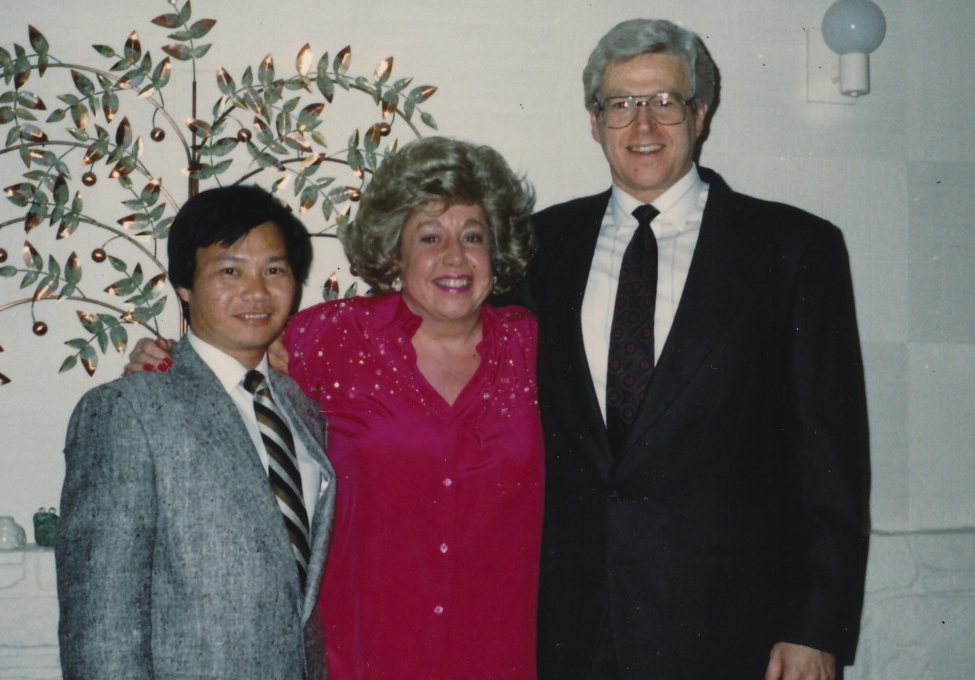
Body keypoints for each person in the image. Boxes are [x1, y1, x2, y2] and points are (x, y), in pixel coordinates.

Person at [516, 19, 870, 680]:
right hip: (571, 630)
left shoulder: (791, 249)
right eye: (621, 104)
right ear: (594, 122)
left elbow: (831, 459)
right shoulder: (539, 247)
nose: (642, 125)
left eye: (665, 102)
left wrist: (814, 628)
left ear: (700, 114)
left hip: (732, 631)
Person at [128, 137, 544, 679]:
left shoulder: (538, 349)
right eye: (429, 236)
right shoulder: (332, 337)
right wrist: (162, 363)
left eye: (473, 236)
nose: (454, 257)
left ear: (497, 251)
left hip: (498, 656)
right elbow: (226, 365)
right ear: (395, 253)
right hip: (362, 656)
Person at [56, 185, 335, 680]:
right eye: (230, 271)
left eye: (274, 270)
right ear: (184, 285)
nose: (256, 291)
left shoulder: (302, 410)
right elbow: (101, 625)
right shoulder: (129, 409)